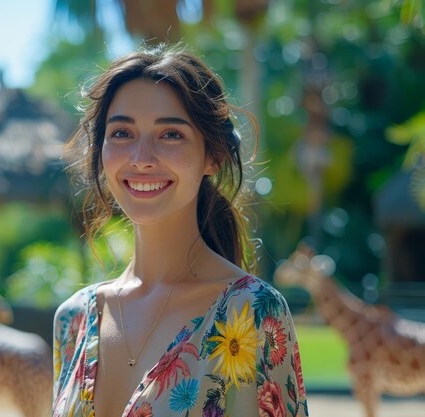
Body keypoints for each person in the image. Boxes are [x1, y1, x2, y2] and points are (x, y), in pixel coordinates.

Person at [53, 44, 309, 417]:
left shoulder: (251, 312)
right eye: (122, 133)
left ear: (212, 156)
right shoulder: (73, 321)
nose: (141, 158)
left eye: (170, 134)